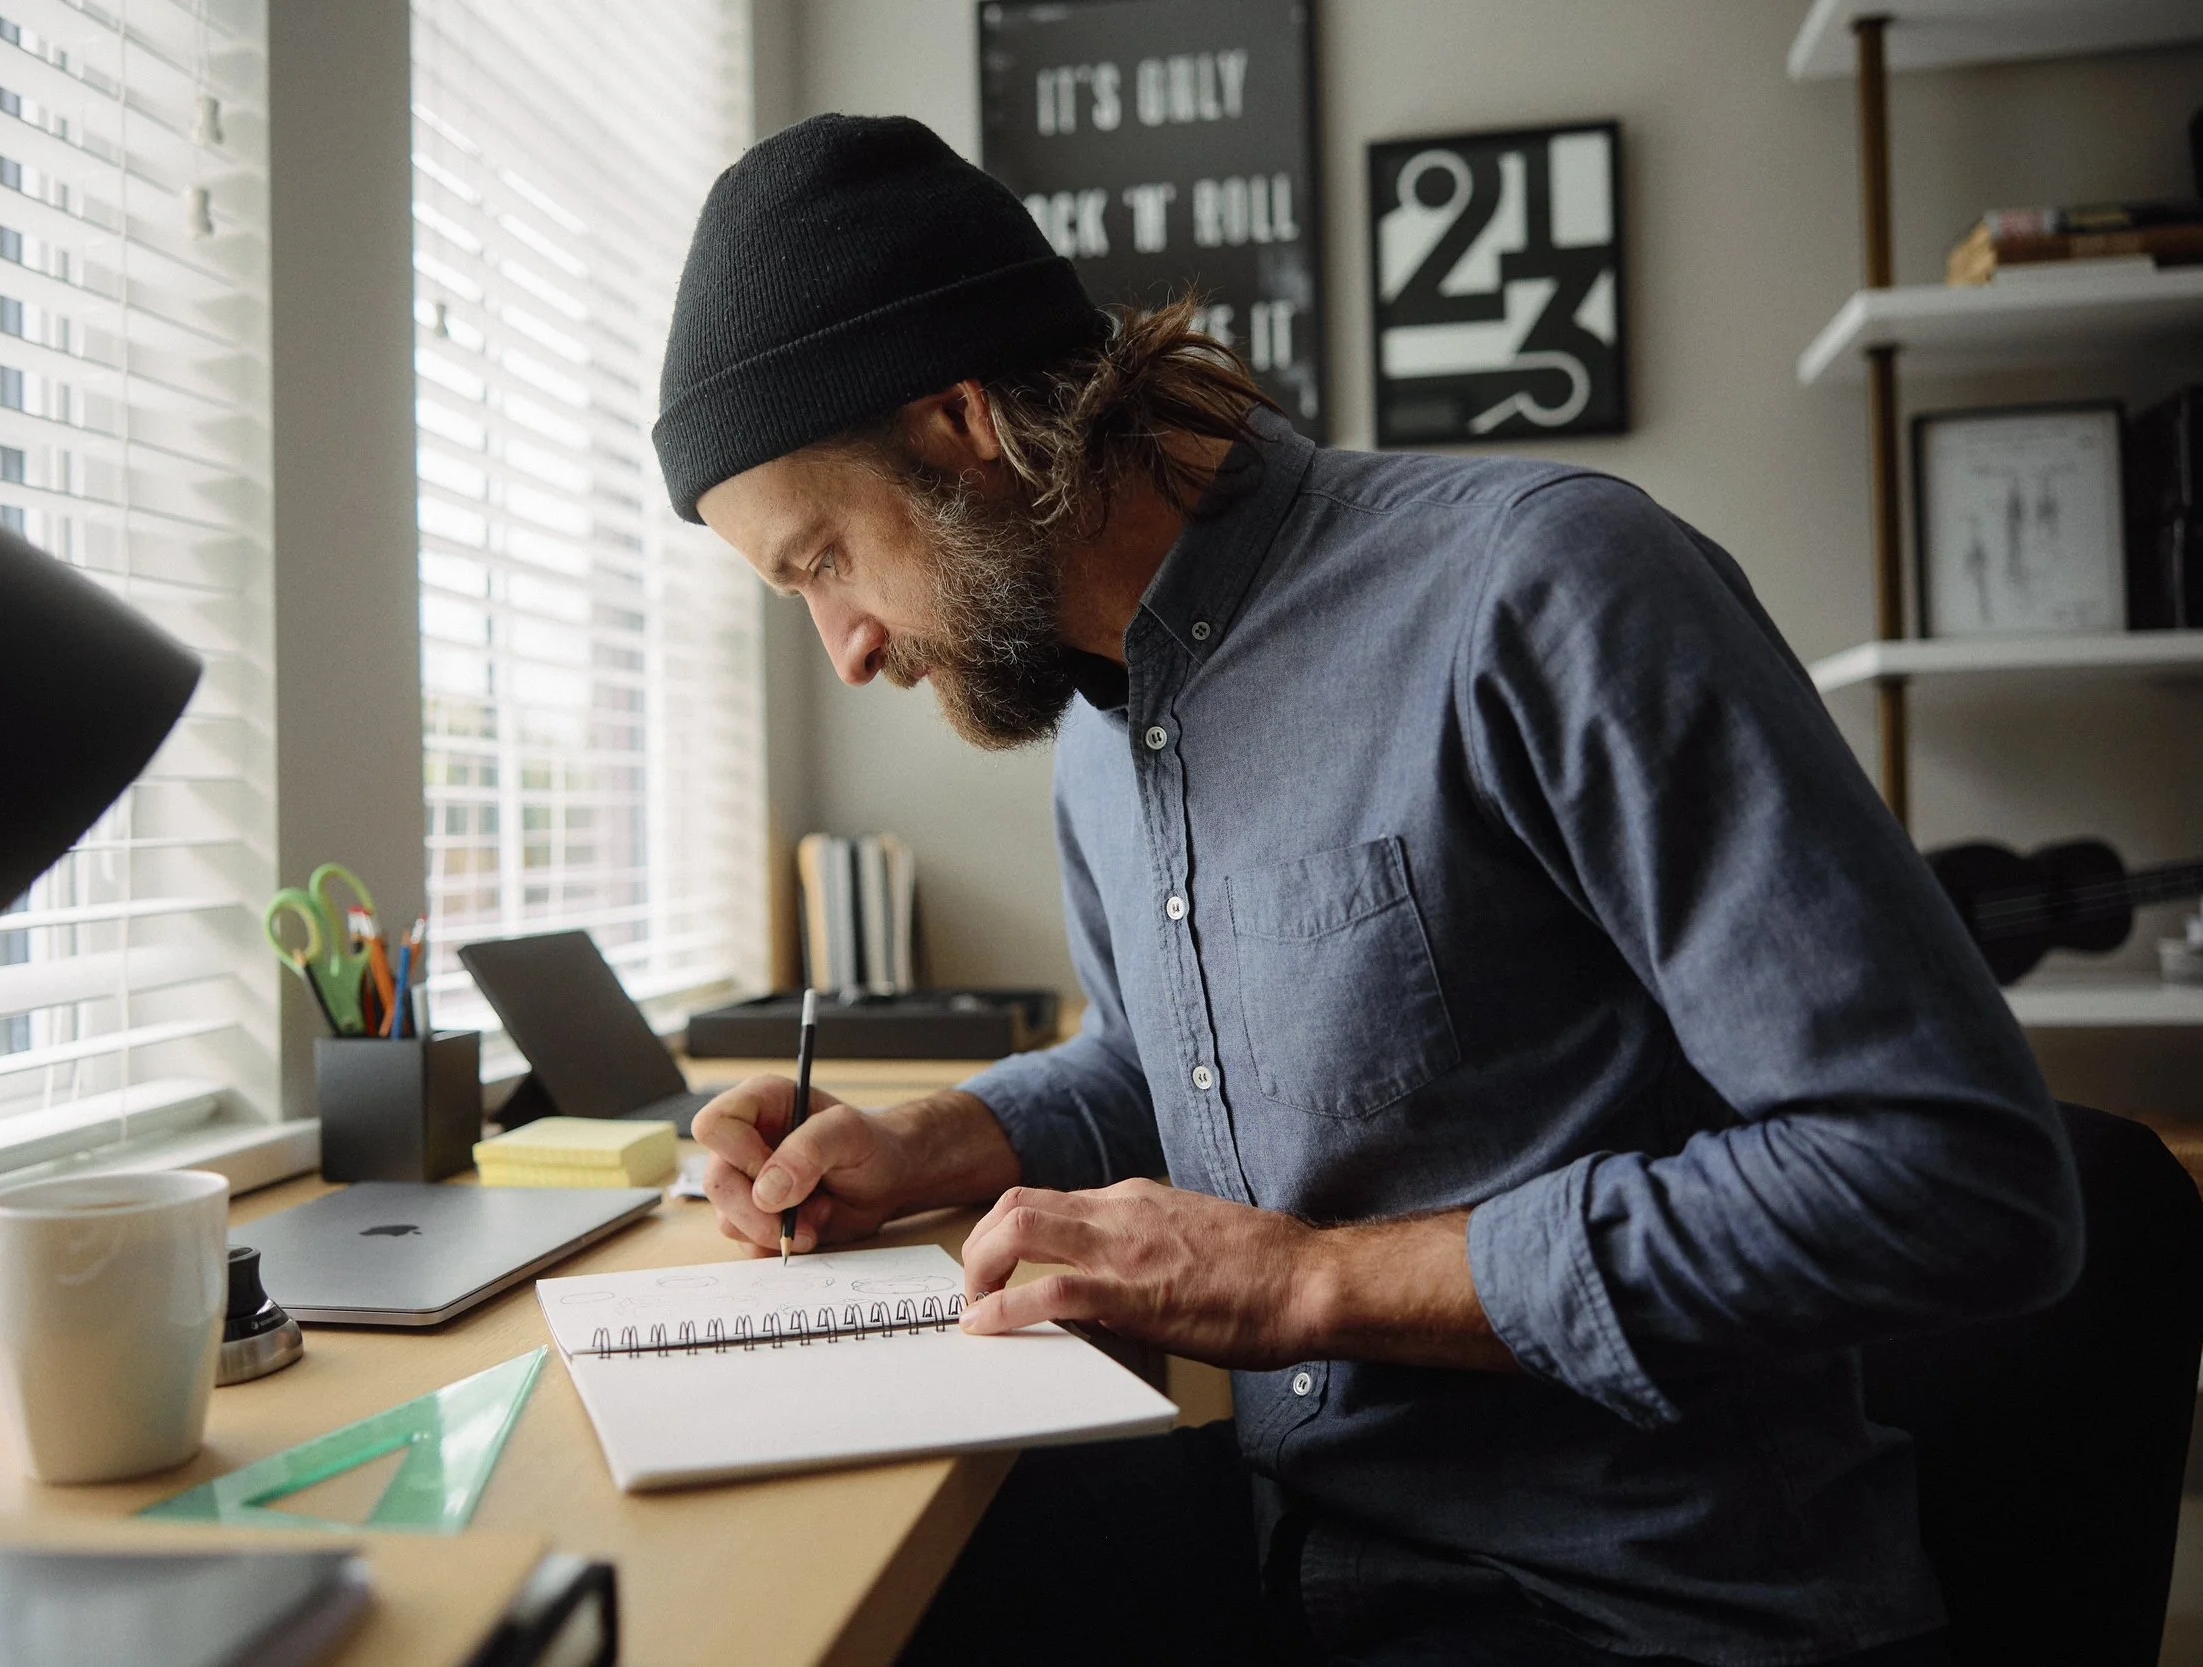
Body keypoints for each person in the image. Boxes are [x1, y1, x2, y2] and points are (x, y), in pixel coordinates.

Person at [654, 113, 2080, 1667]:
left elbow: (1959, 1179)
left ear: (957, 425)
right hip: (1302, 1559)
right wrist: (939, 1136)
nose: (845, 645)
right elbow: (1177, 1064)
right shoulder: (1095, 733)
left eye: (820, 563)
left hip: (1646, 1613)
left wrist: (1315, 1283)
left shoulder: (1549, 590)